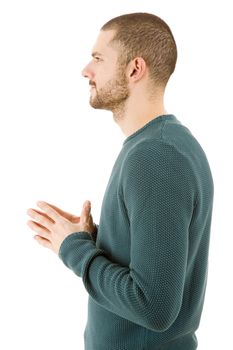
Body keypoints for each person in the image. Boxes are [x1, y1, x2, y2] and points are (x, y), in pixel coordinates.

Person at [27, 12, 214, 350]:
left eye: (98, 58)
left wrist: (75, 250)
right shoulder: (161, 145)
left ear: (134, 69)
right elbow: (156, 263)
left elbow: (153, 306)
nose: (86, 70)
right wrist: (94, 239)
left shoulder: (155, 156)